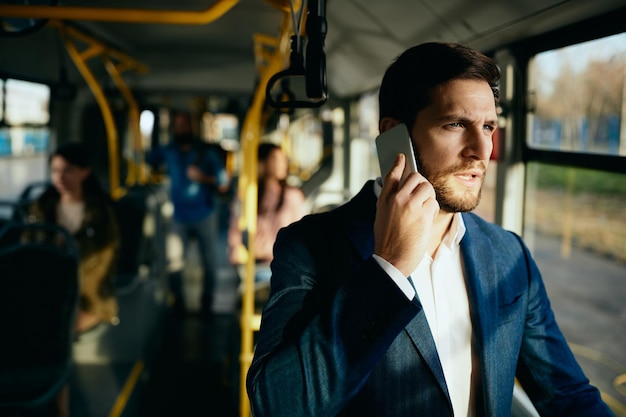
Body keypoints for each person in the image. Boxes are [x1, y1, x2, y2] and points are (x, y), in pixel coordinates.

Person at [246, 43, 615, 416]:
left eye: (488, 126)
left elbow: (568, 395)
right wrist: (387, 268)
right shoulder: (309, 246)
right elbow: (278, 405)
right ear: (394, 137)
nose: (481, 149)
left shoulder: (508, 255)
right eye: (455, 124)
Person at [27, 142, 120, 335]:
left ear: (84, 173)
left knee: (62, 323)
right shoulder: (41, 209)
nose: (59, 178)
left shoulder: (100, 212)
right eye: (55, 171)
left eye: (68, 171)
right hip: (46, 289)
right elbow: (28, 248)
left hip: (89, 294)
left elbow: (104, 261)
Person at [147, 110, 229, 320]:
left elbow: (223, 183)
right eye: (178, 125)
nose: (181, 128)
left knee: (209, 261)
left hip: (204, 213)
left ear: (191, 128)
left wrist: (202, 177)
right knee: (173, 261)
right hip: (179, 215)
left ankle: (207, 303)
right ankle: (178, 303)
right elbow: (149, 158)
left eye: (184, 124)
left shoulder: (206, 153)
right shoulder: (170, 151)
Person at [227, 142, 307, 287]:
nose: (283, 164)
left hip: (283, 267)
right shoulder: (248, 194)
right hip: (255, 264)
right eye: (275, 159)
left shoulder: (293, 196)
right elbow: (235, 224)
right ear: (262, 163)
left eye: (284, 159)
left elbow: (303, 235)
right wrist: (235, 248)